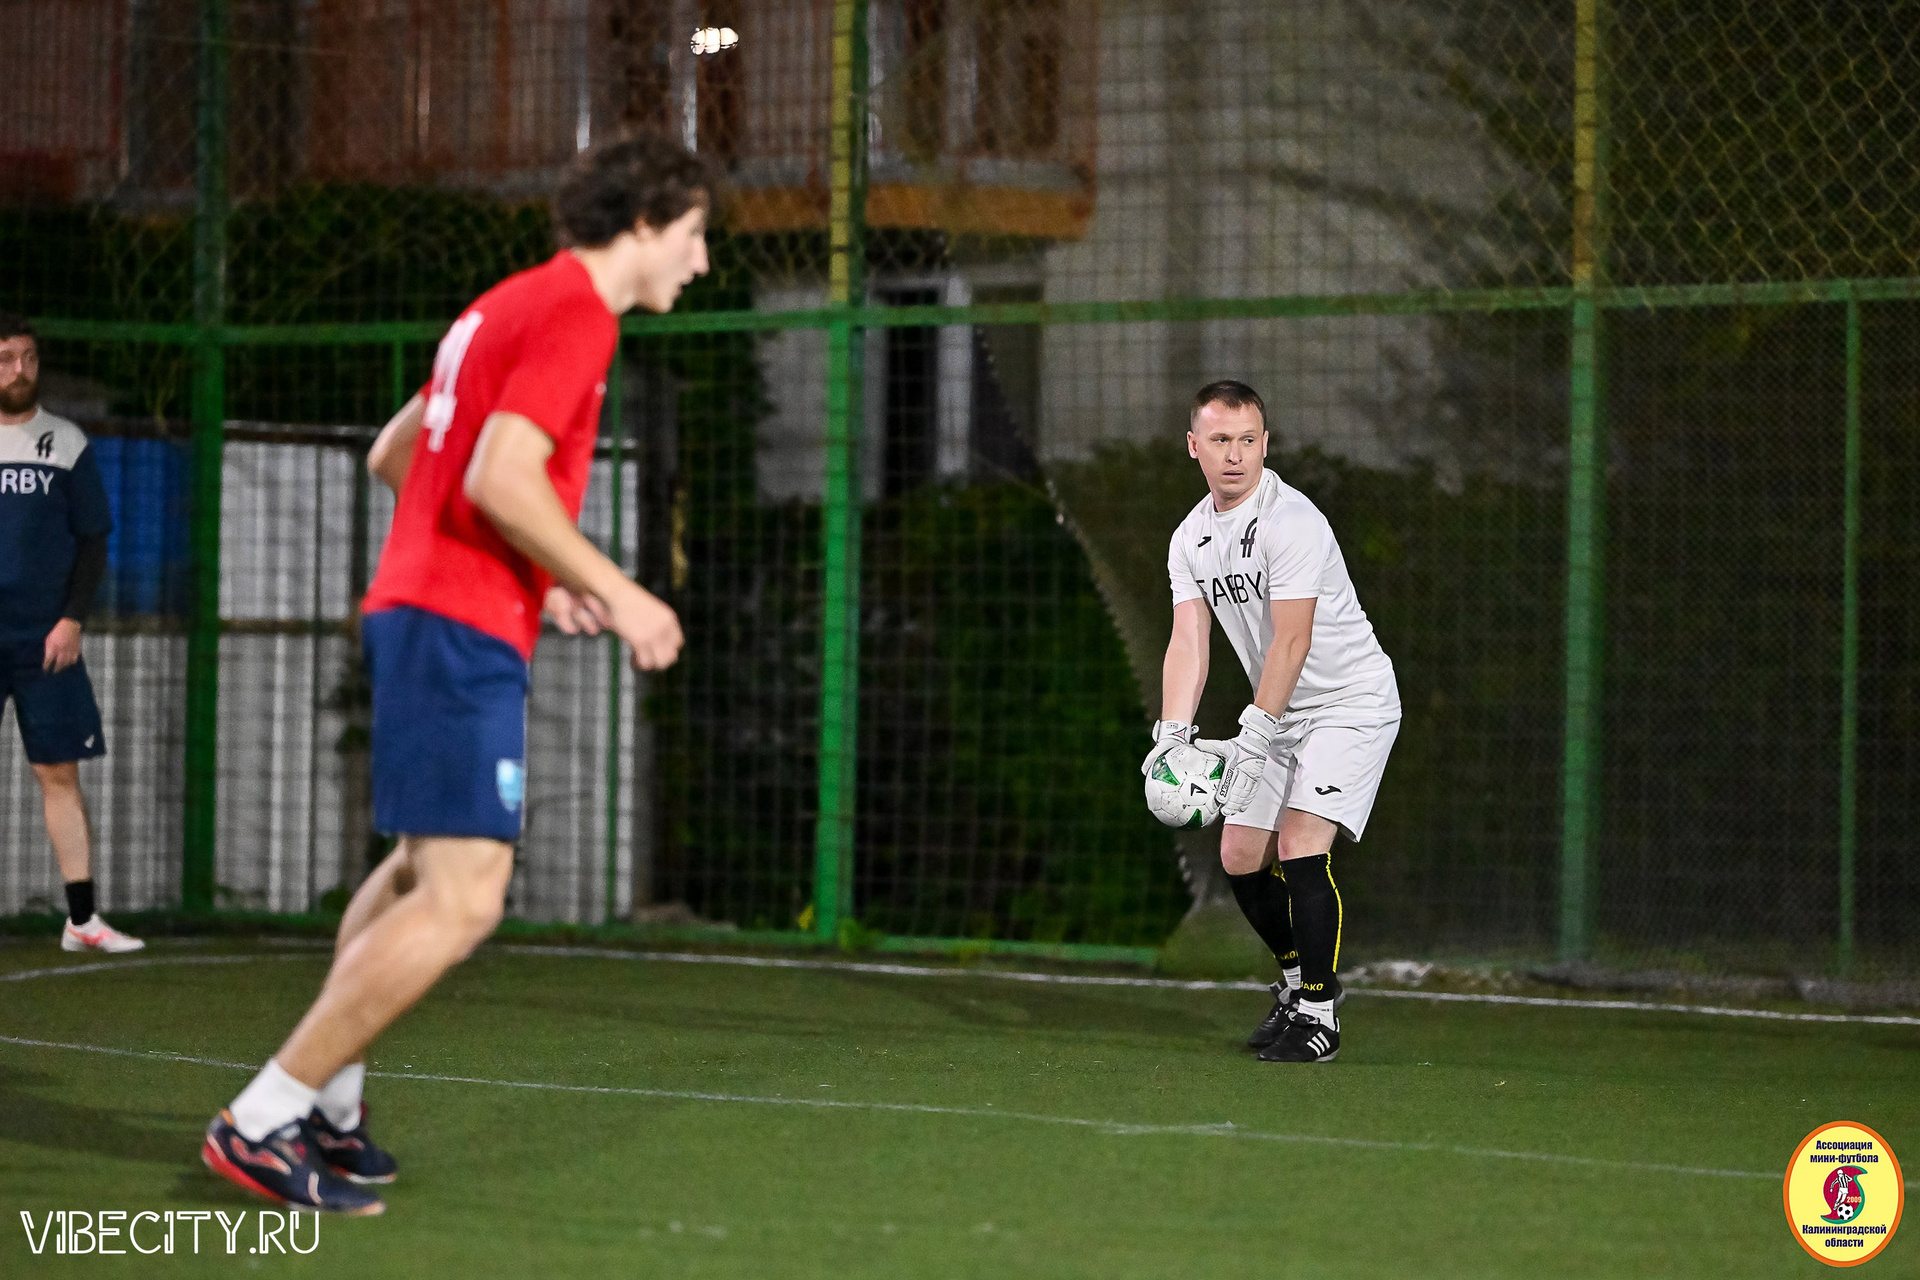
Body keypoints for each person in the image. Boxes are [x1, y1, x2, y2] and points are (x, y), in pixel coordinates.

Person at [200, 135, 708, 1215]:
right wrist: (618, 590)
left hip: (427, 607)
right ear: (646, 222)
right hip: (454, 623)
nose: (702, 260)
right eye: (696, 233)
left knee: (414, 874)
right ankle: (261, 1117)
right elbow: (500, 476)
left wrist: (537, 577)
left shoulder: (502, 305)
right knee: (466, 897)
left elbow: (400, 455)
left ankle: (329, 1109)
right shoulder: (578, 314)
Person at [1144, 380, 1399, 1064]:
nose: (1236, 455)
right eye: (1221, 440)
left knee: (1300, 845)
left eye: (1248, 440)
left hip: (1348, 702)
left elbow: (1292, 640)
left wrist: (1255, 733)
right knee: (1238, 856)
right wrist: (1171, 735)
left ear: (1266, 444)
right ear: (1193, 446)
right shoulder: (1191, 537)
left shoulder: (1292, 521)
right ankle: (1293, 983)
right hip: (1278, 710)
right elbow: (1188, 641)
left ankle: (1320, 1012)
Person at [0, 314, 144, 955]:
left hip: (45, 641)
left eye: (28, 357)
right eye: (6, 358)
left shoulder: (66, 442)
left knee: (58, 773)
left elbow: (93, 541)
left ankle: (82, 921)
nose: (19, 370)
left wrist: (72, 619)